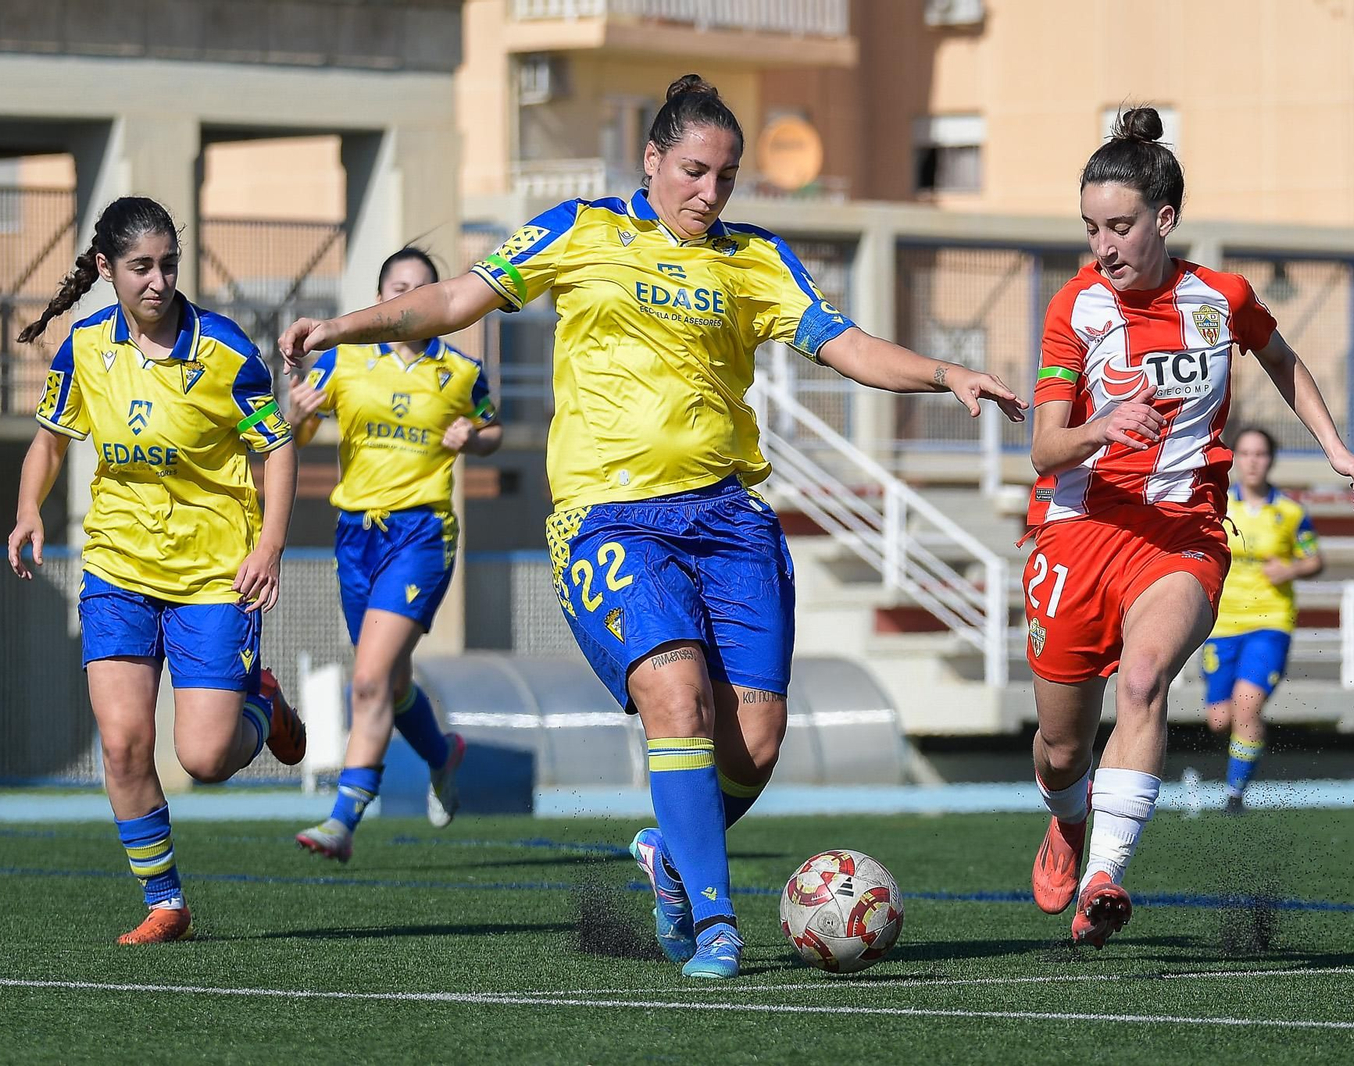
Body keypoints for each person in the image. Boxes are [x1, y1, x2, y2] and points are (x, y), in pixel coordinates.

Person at [280, 74, 1024, 979]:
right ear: (653, 160)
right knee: (678, 700)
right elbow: (449, 303)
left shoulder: (755, 260)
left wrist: (947, 373)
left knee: (755, 746)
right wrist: (341, 328)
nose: (710, 193)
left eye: (727, 177)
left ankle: (669, 852)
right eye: (695, 171)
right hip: (609, 520)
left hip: (729, 518)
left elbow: (848, 344)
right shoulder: (578, 230)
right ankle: (715, 924)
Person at [1023, 108, 1354, 948]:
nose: (1102, 246)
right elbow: (1046, 448)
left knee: (1146, 678)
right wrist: (1100, 425)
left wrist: (1337, 449)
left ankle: (1106, 874)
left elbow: (1283, 359)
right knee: (1057, 745)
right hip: (1077, 531)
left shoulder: (1221, 299)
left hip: (1182, 535)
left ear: (1165, 219)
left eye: (1118, 226)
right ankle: (1068, 820)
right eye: (1089, 229)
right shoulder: (1074, 308)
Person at [5, 196, 306, 944]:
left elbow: (278, 446)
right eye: (140, 267)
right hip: (116, 569)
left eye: (169, 264)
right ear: (106, 270)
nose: (158, 281)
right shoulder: (85, 348)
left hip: (213, 576)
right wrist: (29, 510)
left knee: (203, 757)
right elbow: (47, 441)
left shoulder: (226, 350)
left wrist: (269, 543)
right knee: (122, 743)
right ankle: (165, 901)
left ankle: (260, 704)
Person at [290, 248, 500, 862]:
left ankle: (344, 817)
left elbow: (492, 427)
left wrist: (476, 438)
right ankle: (442, 755)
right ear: (380, 299)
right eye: (395, 288)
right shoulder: (346, 361)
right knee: (392, 680)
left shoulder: (461, 372)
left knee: (370, 678)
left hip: (421, 534)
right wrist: (297, 415)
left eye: (418, 291)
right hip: (356, 535)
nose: (404, 300)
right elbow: (294, 432)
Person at [1202, 427, 1323, 813]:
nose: (1253, 461)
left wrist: (1291, 569)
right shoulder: (1216, 506)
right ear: (1234, 457)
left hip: (1270, 620)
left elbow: (1314, 558)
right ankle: (1242, 760)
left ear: (1271, 460)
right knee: (1220, 719)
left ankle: (1235, 793)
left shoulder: (1290, 513)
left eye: (1260, 454)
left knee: (1247, 704)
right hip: (1221, 624)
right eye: (1246, 453)